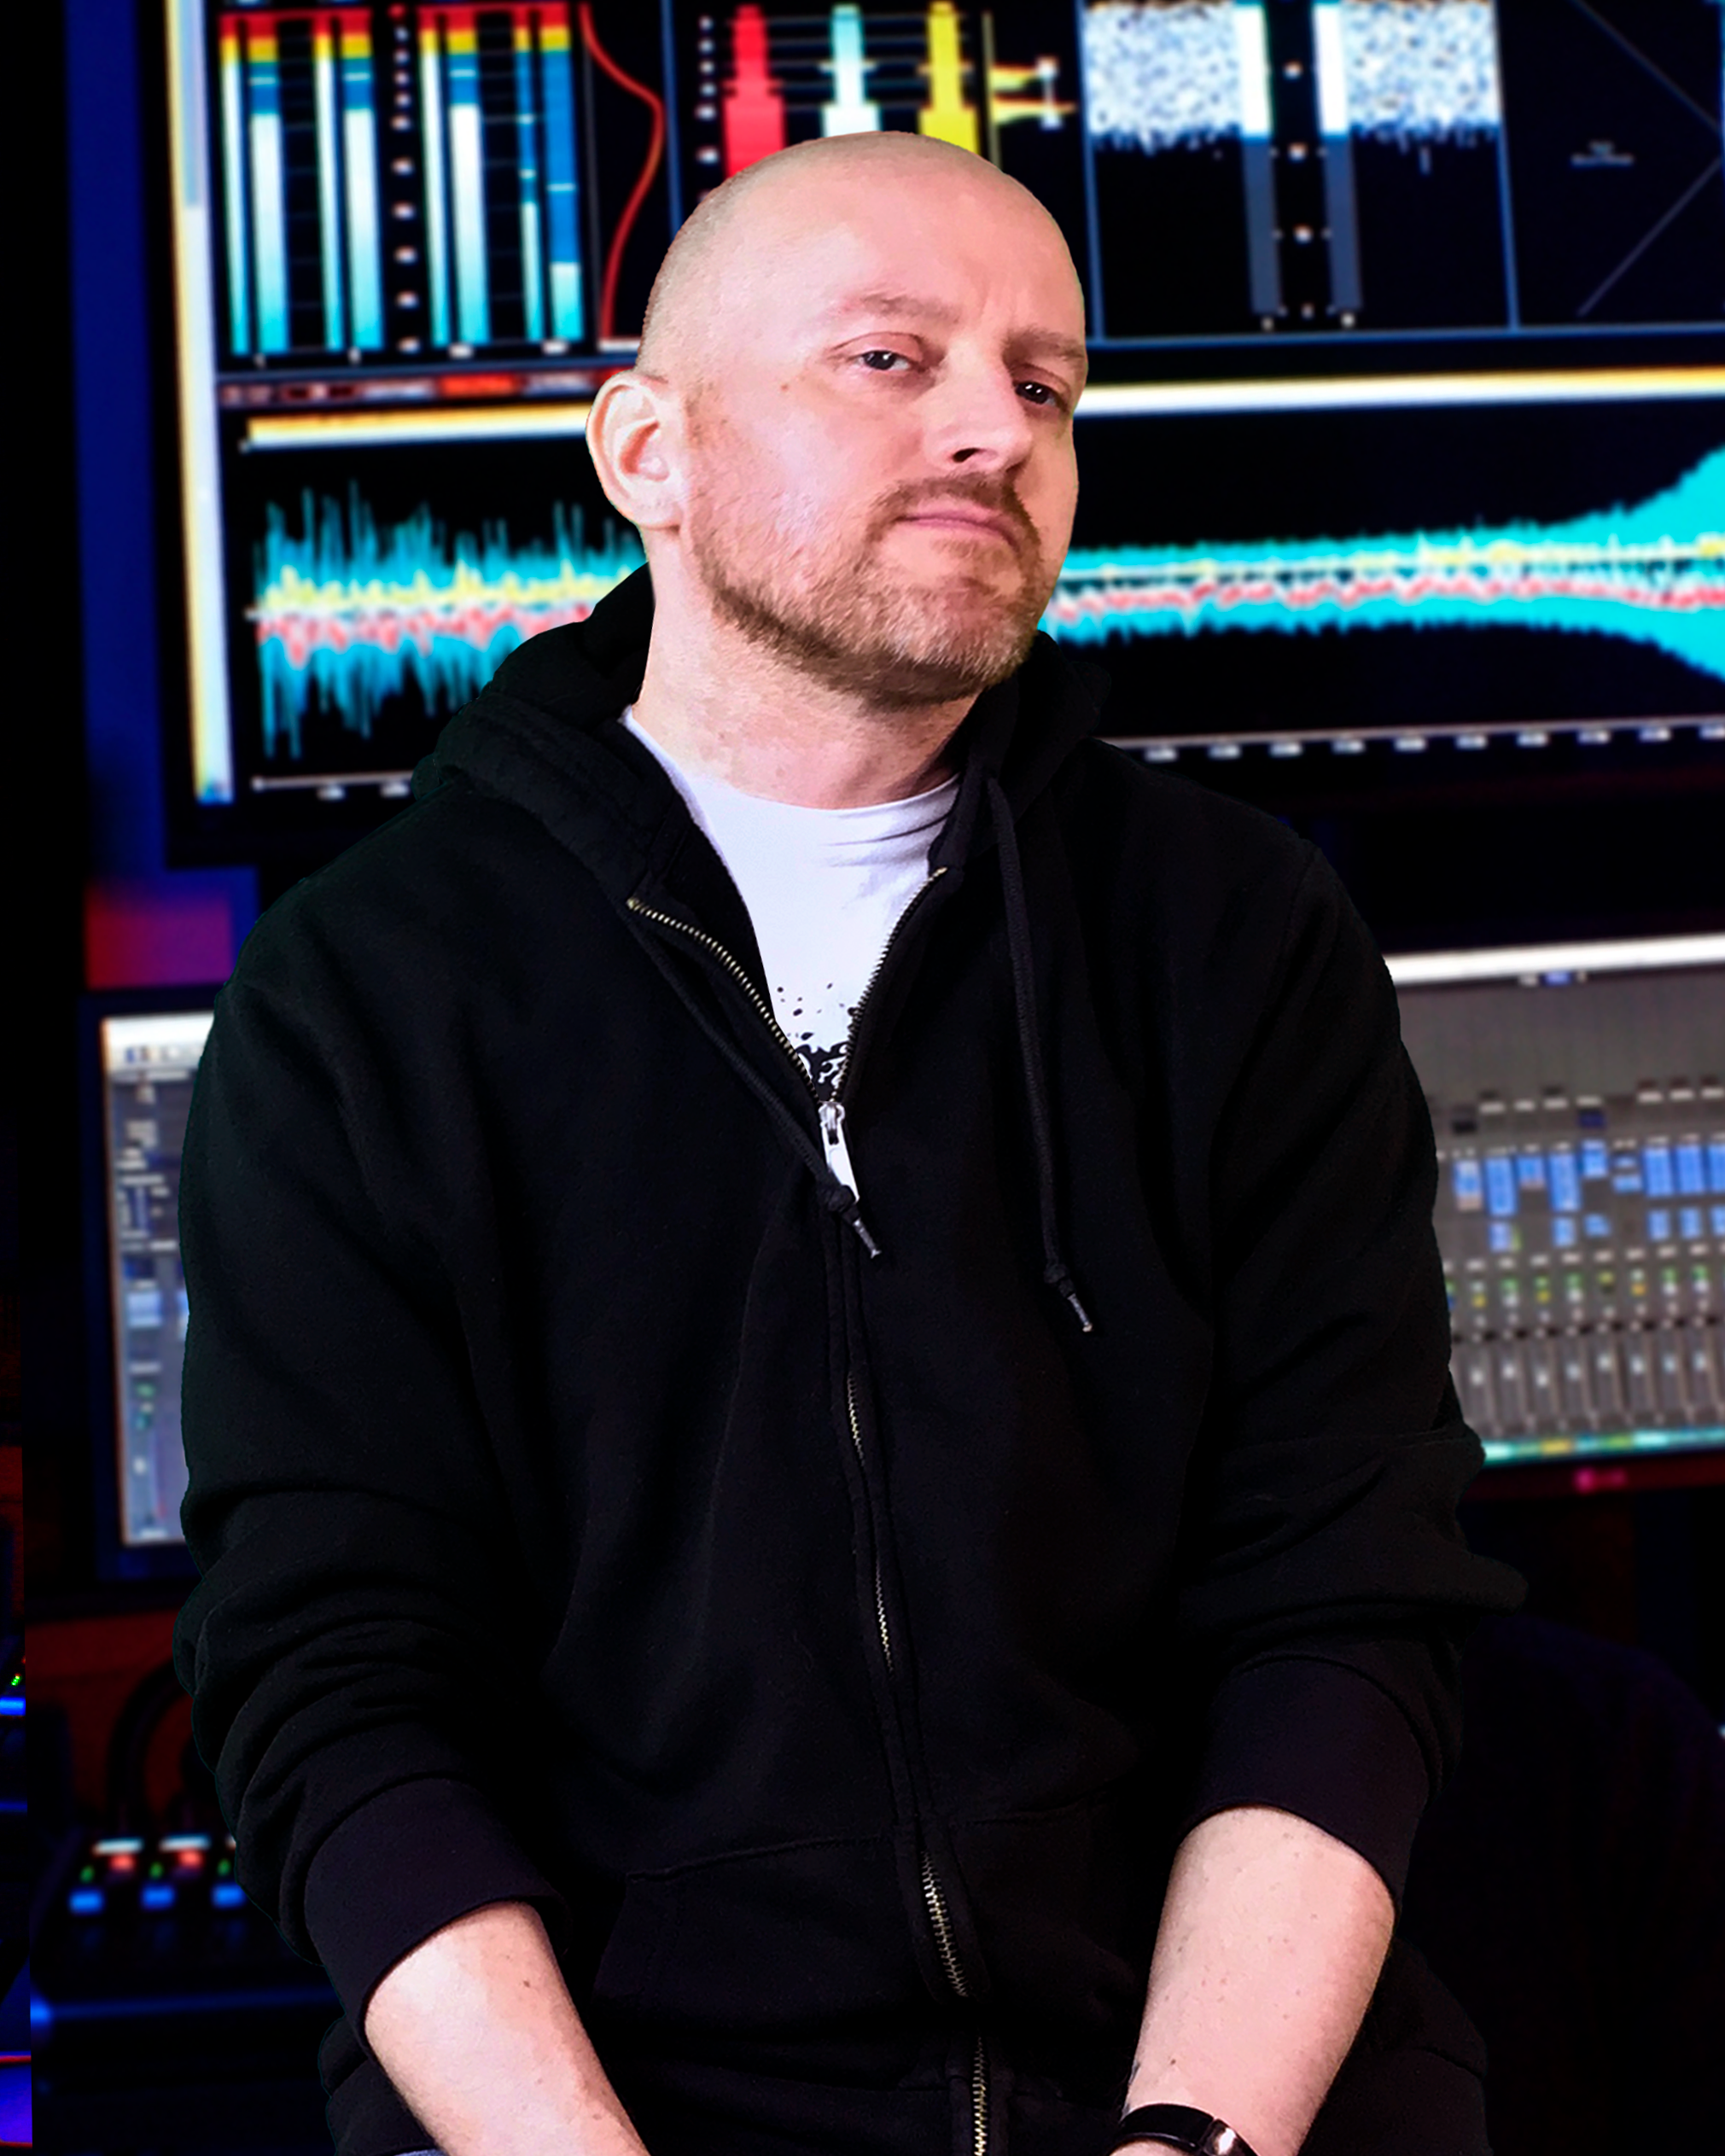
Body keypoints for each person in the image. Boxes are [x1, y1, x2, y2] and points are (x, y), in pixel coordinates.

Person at [172, 131, 1521, 2156]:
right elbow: (340, 1683)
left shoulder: (1232, 933)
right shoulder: (364, 994)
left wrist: (1187, 2141)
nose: (996, 428)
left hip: (1204, 2099)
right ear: (648, 451)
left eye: (1043, 384)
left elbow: (1342, 1596)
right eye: (891, 360)